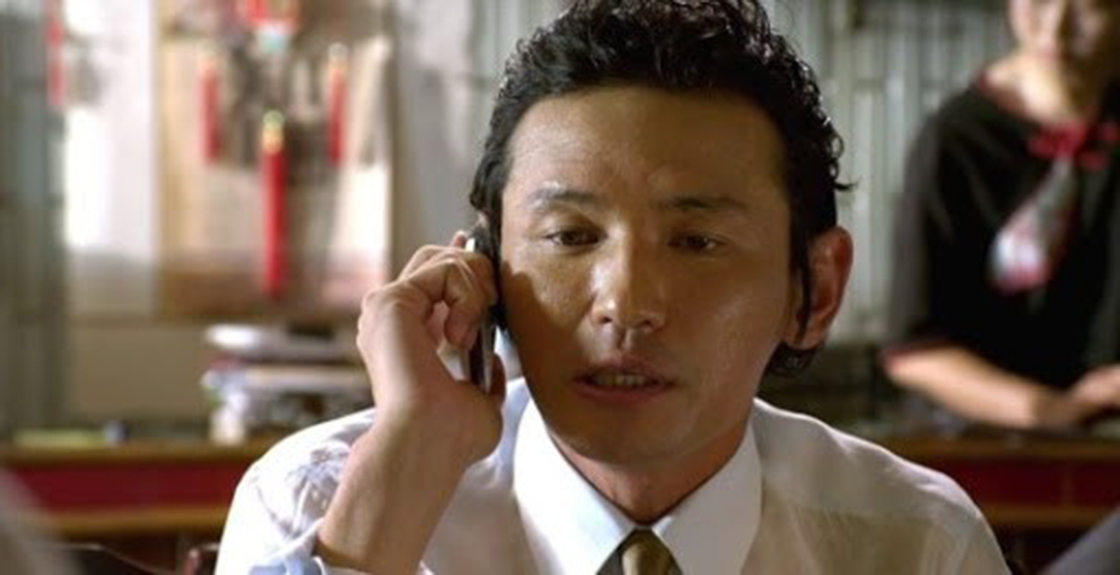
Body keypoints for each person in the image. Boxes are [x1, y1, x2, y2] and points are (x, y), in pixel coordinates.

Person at [216, 1, 1008, 573]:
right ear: (483, 268)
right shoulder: (317, 503)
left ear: (815, 291)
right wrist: (396, 486)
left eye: (697, 241)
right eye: (570, 237)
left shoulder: (916, 543)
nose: (626, 305)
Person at [883, 0, 1120, 430]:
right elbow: (915, 349)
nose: (1055, 30)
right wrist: (1054, 409)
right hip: (986, 436)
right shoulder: (957, 139)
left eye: (1090, 6)